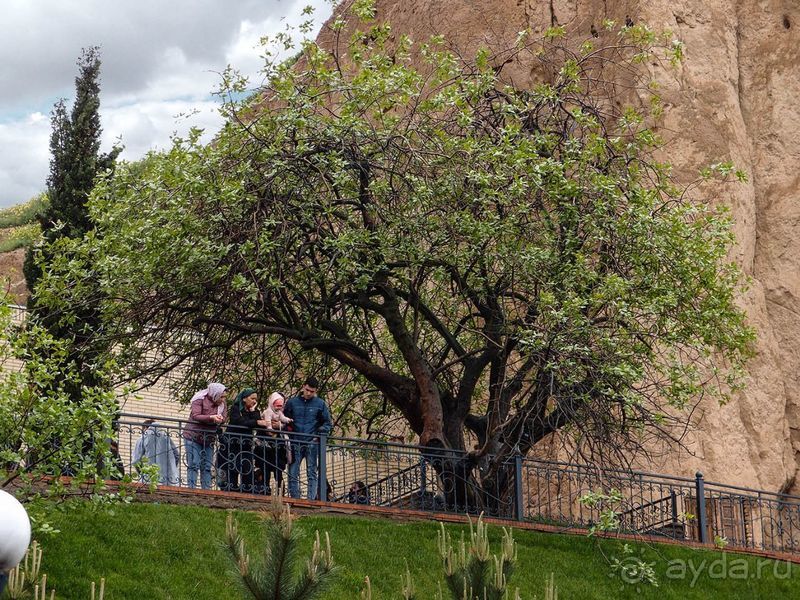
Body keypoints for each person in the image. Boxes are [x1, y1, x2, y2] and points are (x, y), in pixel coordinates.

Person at [283, 376, 332, 500]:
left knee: (312, 472)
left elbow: (327, 423)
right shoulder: (292, 402)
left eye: (312, 391)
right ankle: (295, 498)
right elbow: (284, 421)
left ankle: (311, 499)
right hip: (295, 442)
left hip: (311, 442)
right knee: (293, 472)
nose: (309, 393)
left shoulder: (320, 404)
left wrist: (318, 434)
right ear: (303, 387)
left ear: (316, 391)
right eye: (307, 390)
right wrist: (289, 435)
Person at [182, 382, 227, 490]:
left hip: (209, 438)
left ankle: (206, 490)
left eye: (224, 397)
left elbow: (224, 417)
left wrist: (221, 419)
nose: (223, 400)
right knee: (194, 464)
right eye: (221, 397)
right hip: (193, 436)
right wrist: (212, 417)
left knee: (207, 466)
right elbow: (196, 415)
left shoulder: (222, 405)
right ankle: (191, 489)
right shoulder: (199, 399)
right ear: (215, 394)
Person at [225, 388, 269, 493]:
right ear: (244, 399)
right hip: (233, 444)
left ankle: (246, 491)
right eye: (252, 398)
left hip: (246, 445)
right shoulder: (236, 408)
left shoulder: (254, 411)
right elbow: (239, 421)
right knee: (233, 469)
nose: (254, 401)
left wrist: (253, 411)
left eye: (256, 399)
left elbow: (260, 426)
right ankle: (232, 490)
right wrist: (256, 422)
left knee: (247, 469)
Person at [259, 402, 292, 495]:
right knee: (265, 473)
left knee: (278, 475)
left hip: (278, 453)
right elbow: (259, 433)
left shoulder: (281, 416)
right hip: (265, 452)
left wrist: (280, 425)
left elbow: (286, 427)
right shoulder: (267, 413)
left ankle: (280, 494)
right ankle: (265, 492)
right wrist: (268, 427)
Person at [132, 419, 179, 485]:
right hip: (166, 480)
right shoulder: (166, 437)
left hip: (148, 479)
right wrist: (170, 469)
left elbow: (136, 460)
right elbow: (176, 455)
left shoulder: (142, 438)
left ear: (145, 428)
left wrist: (142, 473)